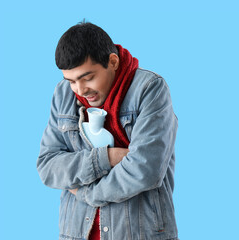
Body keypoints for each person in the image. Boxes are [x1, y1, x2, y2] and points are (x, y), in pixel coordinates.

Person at [37, 21, 179, 240]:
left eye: (88, 78)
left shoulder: (150, 89)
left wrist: (87, 193)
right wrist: (108, 157)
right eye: (71, 81)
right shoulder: (63, 93)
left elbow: (145, 170)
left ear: (112, 62)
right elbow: (48, 166)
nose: (80, 90)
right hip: (76, 233)